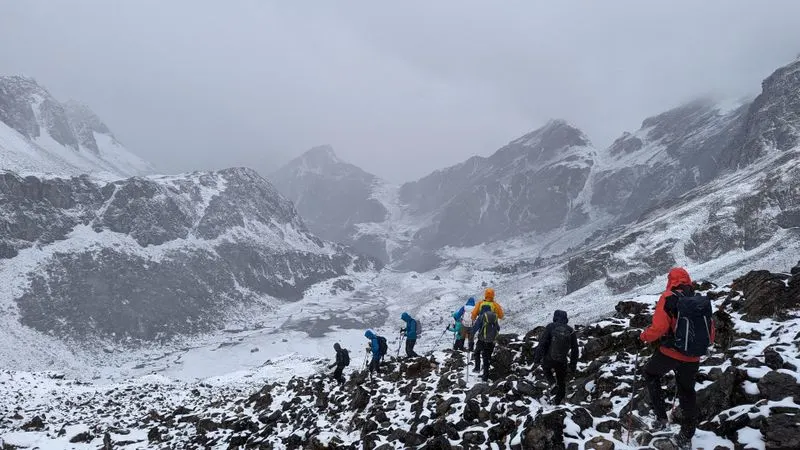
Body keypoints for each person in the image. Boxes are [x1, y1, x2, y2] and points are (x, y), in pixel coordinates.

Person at [640, 267, 715, 449]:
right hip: (693, 356)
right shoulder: (699, 301)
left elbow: (658, 328)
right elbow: (710, 334)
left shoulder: (668, 297)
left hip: (670, 353)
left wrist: (643, 337)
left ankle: (660, 418)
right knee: (687, 391)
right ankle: (686, 435)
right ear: (687, 280)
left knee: (650, 374)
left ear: (671, 280)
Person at [534, 310, 580, 405]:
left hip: (549, 358)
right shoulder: (570, 330)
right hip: (562, 361)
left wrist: (537, 359)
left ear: (555, 317)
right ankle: (558, 402)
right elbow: (575, 349)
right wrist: (572, 365)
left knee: (546, 368)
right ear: (565, 318)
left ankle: (552, 383)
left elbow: (542, 343)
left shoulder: (550, 326)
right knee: (561, 381)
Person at [472, 303, 500, 382]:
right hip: (491, 341)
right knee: (486, 358)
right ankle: (485, 376)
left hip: (482, 340)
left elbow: (475, 328)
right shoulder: (494, 316)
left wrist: (471, 335)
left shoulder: (481, 316)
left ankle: (477, 368)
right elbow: (498, 328)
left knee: (477, 352)